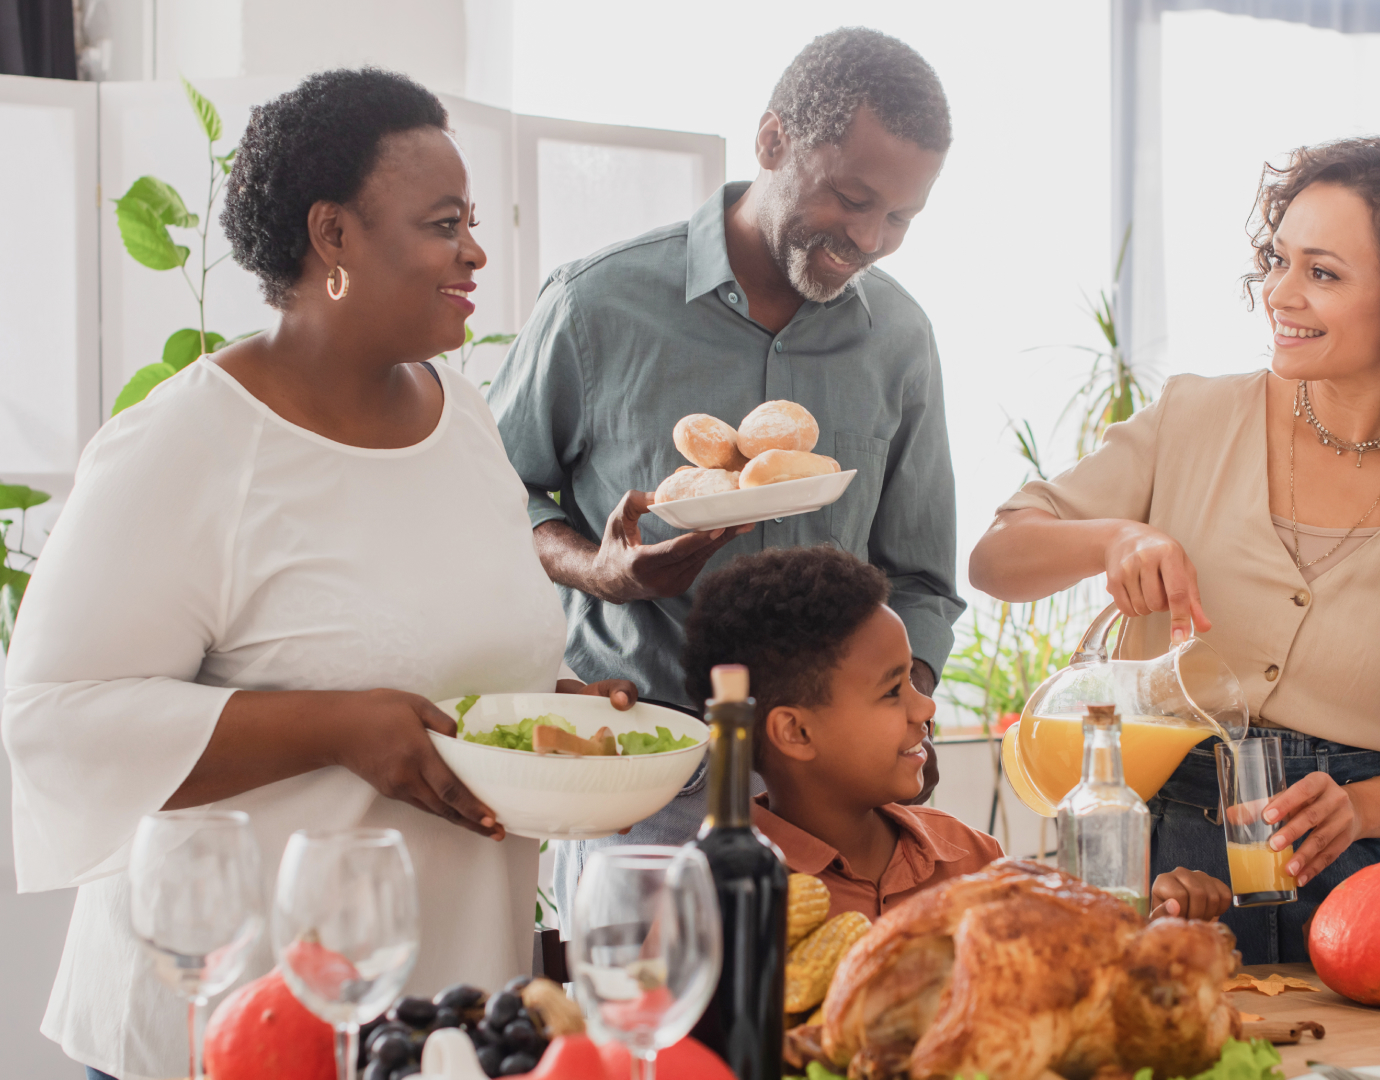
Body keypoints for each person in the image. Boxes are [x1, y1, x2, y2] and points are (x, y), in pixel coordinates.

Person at [2, 69, 634, 1080]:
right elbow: (52, 716)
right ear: (331, 235)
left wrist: (556, 728)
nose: (475, 250)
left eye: (472, 221)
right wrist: (337, 729)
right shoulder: (187, 445)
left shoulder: (463, 417)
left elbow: (449, 666)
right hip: (222, 1027)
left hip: (430, 1024)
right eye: (442, 224)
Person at [969, 137, 1380, 964]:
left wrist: (1364, 808)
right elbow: (996, 557)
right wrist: (1114, 537)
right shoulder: (1194, 419)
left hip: (1370, 891)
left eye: (1323, 273)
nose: (1279, 293)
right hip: (1165, 872)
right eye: (1279, 261)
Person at [488, 28, 966, 917]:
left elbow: (923, 577)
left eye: (899, 218)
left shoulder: (899, 339)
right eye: (852, 198)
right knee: (653, 1047)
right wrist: (597, 570)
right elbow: (491, 494)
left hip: (829, 813)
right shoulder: (596, 306)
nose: (868, 238)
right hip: (643, 787)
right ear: (774, 141)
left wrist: (909, 705)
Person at [680, 546, 1231, 922]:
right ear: (796, 732)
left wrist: (1151, 928)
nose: (926, 707)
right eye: (892, 690)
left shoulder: (970, 857)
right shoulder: (715, 891)